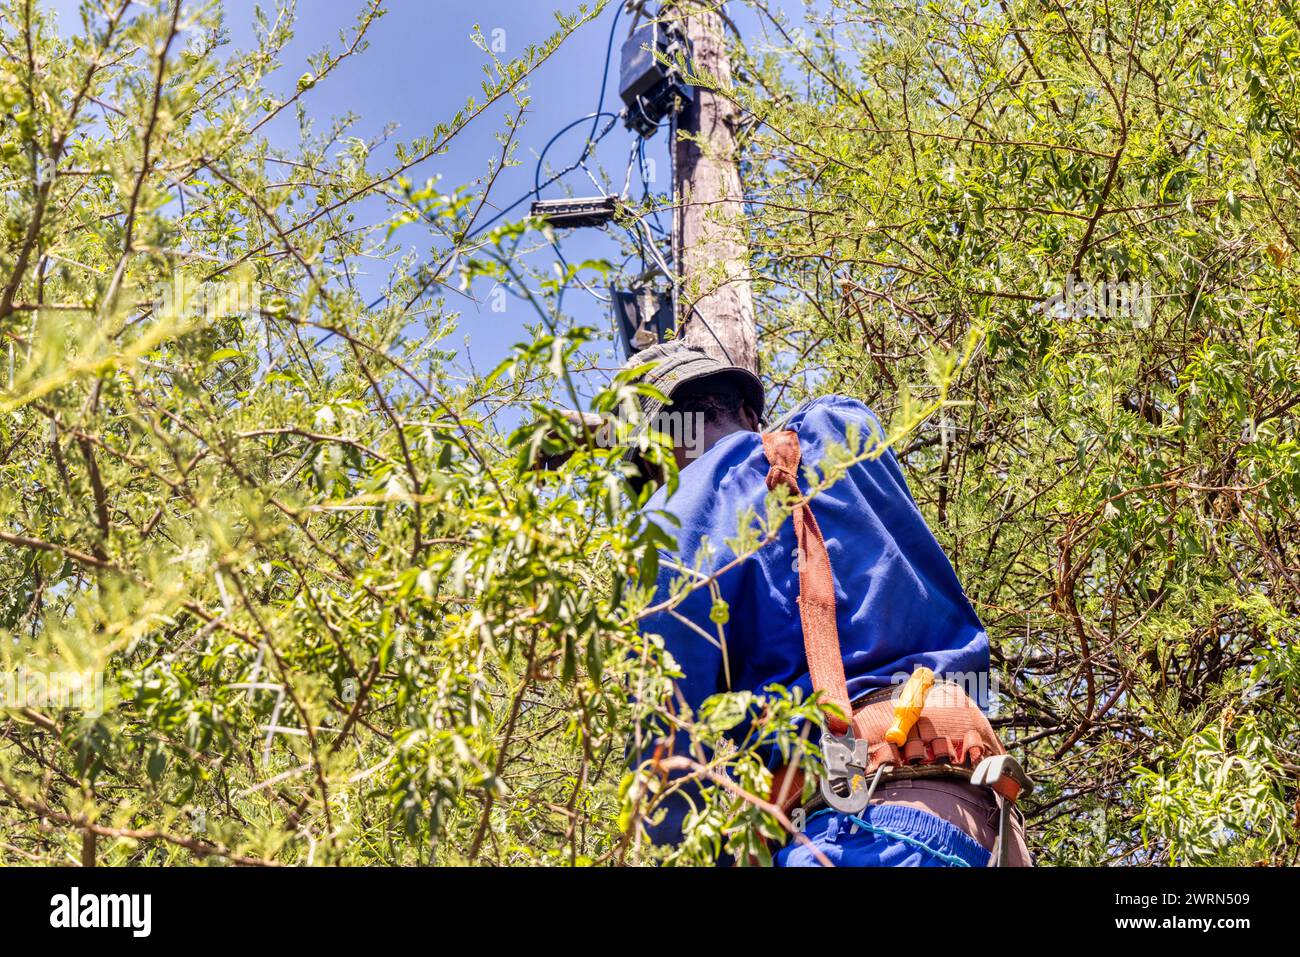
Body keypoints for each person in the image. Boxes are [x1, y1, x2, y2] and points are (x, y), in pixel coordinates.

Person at [621, 339, 1031, 867]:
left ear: (654, 460)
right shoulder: (844, 427)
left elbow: (666, 758)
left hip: (854, 832)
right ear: (747, 411)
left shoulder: (667, 527)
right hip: (986, 820)